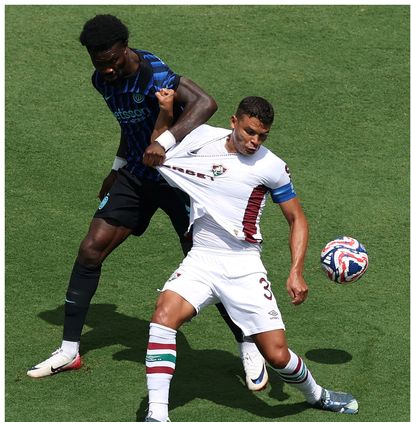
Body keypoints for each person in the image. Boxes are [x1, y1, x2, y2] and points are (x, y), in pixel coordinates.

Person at [26, 14, 270, 392]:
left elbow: (206, 103)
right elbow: (132, 127)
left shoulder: (153, 71)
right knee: (91, 250)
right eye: (99, 62)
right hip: (139, 175)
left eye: (112, 59)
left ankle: (247, 344)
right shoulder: (102, 82)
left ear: (125, 48)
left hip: (180, 180)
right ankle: (69, 350)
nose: (107, 68)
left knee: (211, 264)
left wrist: (165, 143)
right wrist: (118, 166)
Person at [124, 94, 358, 422]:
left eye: (262, 136)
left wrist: (296, 271)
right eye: (249, 132)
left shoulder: (271, 167)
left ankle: (317, 395)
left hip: (243, 266)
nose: (254, 141)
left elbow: (297, 219)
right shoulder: (200, 137)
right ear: (234, 121)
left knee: (277, 354)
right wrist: (166, 112)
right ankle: (158, 418)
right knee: (163, 317)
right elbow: (158, 148)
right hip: (202, 259)